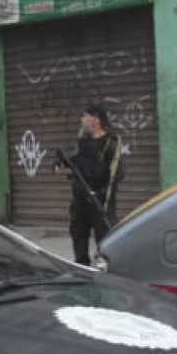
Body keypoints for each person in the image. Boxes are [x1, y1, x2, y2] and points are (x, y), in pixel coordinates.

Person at [53, 104, 122, 266]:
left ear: (95, 120)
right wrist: (61, 163)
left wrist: (103, 196)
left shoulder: (109, 144)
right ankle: (81, 265)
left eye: (85, 116)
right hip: (80, 198)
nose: (82, 120)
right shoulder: (84, 142)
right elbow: (77, 161)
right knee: (78, 233)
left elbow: (117, 174)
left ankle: (104, 265)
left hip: (99, 199)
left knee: (104, 237)